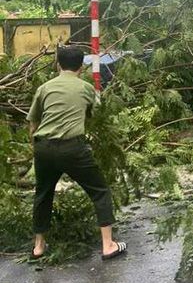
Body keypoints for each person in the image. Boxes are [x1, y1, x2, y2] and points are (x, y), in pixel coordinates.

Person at [26, 45, 126, 261]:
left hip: (44, 147)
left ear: (57, 65)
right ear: (82, 66)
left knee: (43, 194)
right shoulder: (86, 88)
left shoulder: (44, 88)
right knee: (100, 191)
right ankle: (108, 245)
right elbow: (94, 116)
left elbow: (33, 124)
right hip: (73, 148)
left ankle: (38, 246)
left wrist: (36, 147)